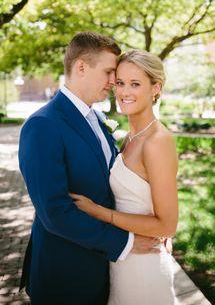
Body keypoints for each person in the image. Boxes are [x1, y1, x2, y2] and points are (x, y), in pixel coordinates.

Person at [19, 32, 160, 305]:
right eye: (109, 72)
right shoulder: (43, 125)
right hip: (66, 277)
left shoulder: (96, 116)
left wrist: (152, 227)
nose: (113, 82)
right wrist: (126, 243)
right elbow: (55, 213)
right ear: (81, 67)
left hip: (103, 273)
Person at [70, 49, 179, 305]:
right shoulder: (132, 137)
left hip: (144, 268)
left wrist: (100, 213)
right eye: (119, 83)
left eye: (135, 84)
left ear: (156, 88)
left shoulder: (156, 141)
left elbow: (167, 225)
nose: (124, 92)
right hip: (123, 259)